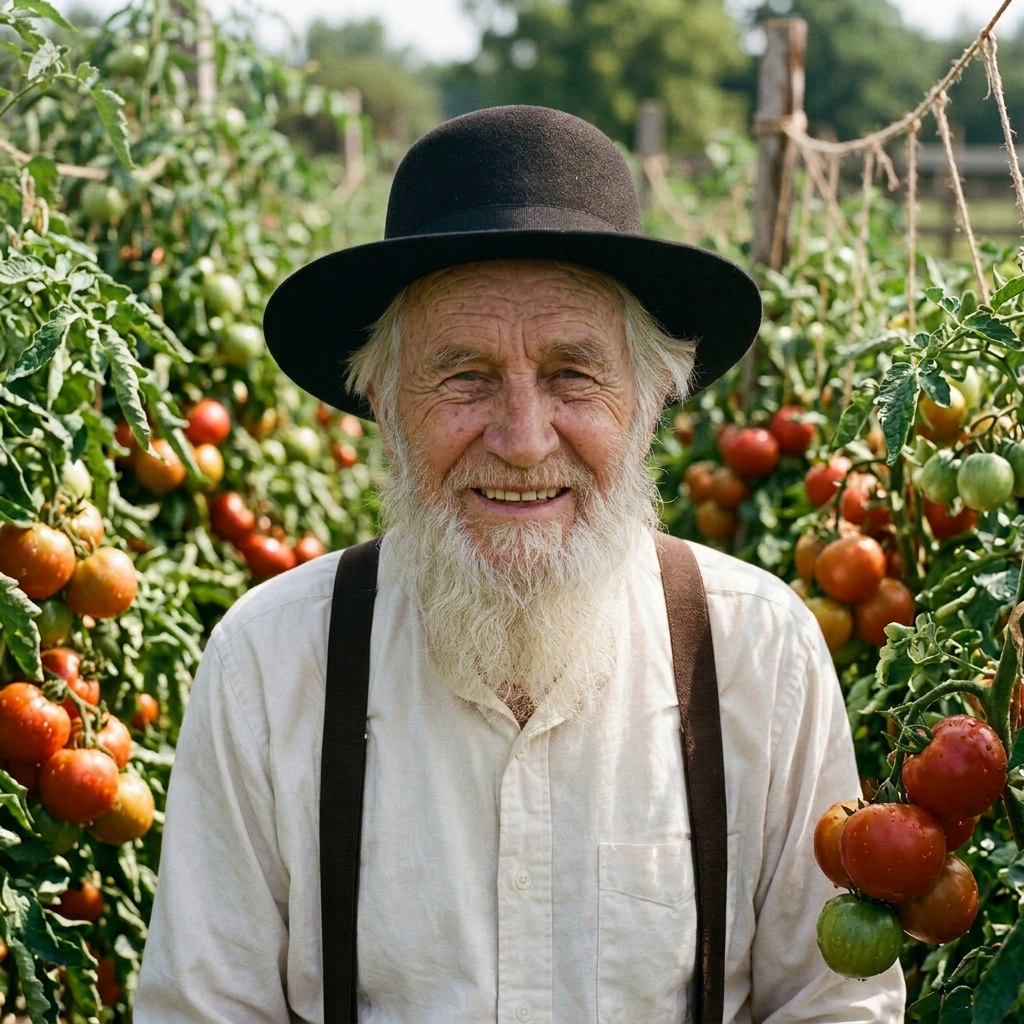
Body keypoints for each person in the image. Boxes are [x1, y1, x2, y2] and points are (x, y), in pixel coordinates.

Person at [135, 105, 905, 1022]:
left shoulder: (758, 654)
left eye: (574, 374)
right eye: (463, 375)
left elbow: (833, 1006)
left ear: (652, 397)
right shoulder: (269, 665)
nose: (523, 438)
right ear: (382, 402)